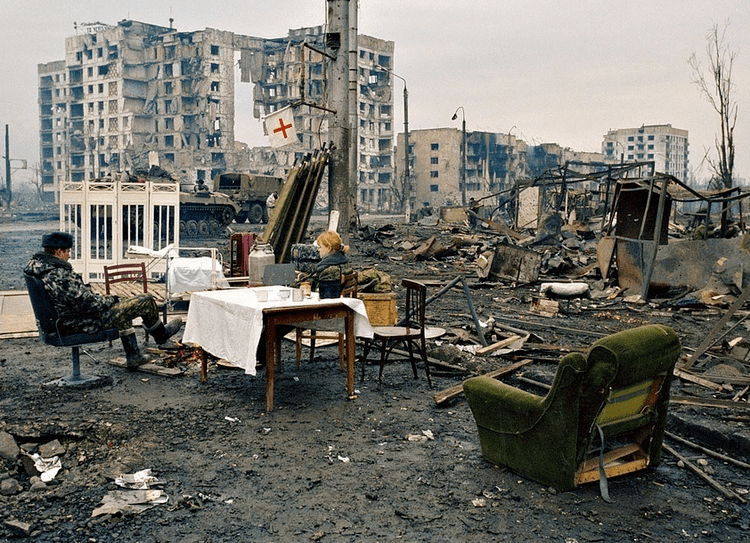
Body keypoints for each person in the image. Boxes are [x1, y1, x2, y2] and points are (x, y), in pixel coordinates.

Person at [23, 232, 183, 370]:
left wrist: (108, 301)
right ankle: (162, 336)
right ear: (58, 252)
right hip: (80, 322)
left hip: (67, 320)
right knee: (145, 300)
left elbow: (78, 300)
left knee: (123, 307)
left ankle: (134, 356)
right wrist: (110, 300)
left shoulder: (41, 270)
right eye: (67, 251)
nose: (69, 255)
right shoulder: (57, 275)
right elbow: (86, 303)